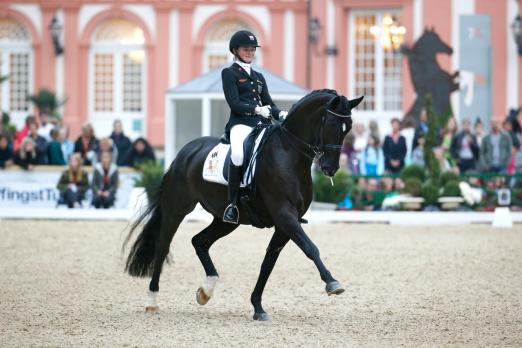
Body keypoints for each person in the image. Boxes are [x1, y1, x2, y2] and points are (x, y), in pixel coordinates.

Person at [221, 30, 288, 224]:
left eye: (252, 49)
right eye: (246, 49)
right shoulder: (229, 73)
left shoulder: (259, 76)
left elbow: (269, 103)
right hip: (240, 124)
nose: (250, 52)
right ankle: (232, 205)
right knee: (238, 155)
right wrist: (257, 110)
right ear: (235, 50)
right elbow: (234, 103)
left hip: (261, 125)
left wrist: (281, 114)